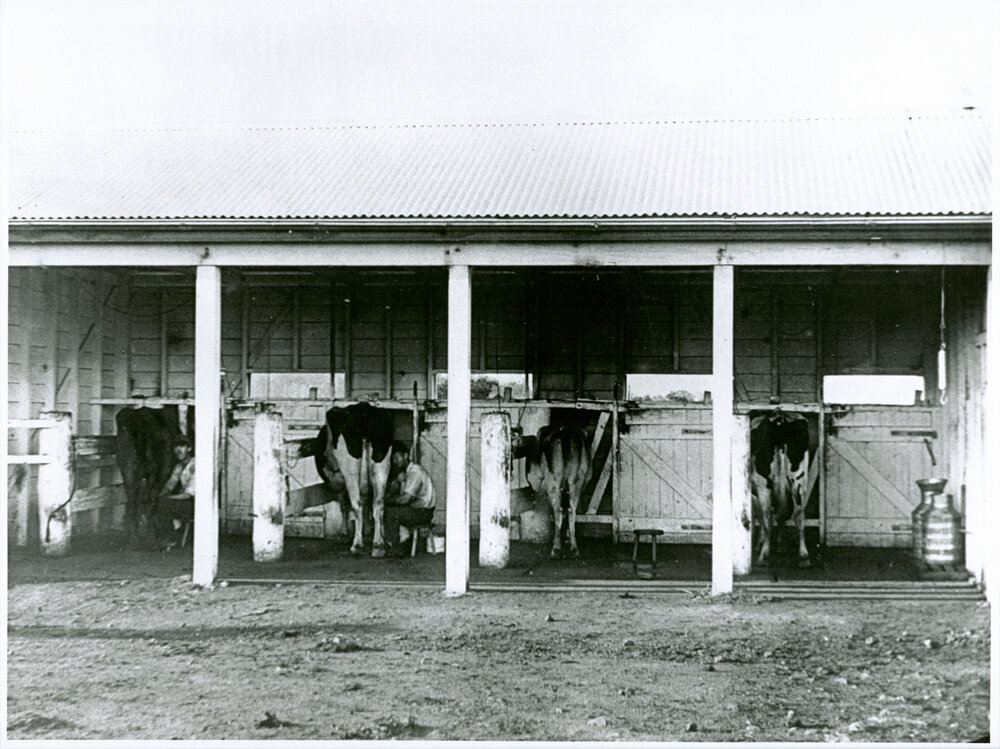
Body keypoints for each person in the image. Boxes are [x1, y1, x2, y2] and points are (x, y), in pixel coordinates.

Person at [383, 440, 435, 557]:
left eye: (397, 458)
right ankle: (402, 542)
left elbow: (405, 499)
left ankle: (395, 548)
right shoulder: (406, 473)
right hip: (419, 510)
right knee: (394, 510)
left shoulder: (415, 472)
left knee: (391, 513)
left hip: (423, 512)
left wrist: (386, 500)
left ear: (405, 456)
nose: (395, 461)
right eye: (393, 459)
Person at [154, 435, 195, 549]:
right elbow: (170, 485)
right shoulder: (179, 466)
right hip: (185, 501)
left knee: (164, 504)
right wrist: (159, 496)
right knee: (157, 502)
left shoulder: (196, 465)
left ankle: (171, 538)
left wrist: (165, 499)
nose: (178, 450)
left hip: (196, 504)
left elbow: (188, 494)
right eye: (176, 447)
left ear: (189, 449)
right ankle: (164, 537)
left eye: (182, 446)